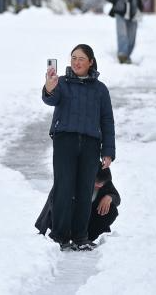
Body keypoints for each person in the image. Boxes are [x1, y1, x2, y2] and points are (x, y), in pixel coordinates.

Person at [41, 44, 116, 251]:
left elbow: (107, 120)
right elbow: (50, 99)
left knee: (84, 191)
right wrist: (49, 86)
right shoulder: (62, 83)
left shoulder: (100, 89)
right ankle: (60, 235)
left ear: (91, 61)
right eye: (73, 58)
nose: (76, 62)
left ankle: (81, 236)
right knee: (64, 189)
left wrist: (108, 151)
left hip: (91, 145)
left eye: (81, 58)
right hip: (65, 142)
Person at [35, 166, 121, 243]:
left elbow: (117, 198)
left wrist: (109, 197)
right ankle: (61, 237)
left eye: (102, 184)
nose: (100, 186)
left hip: (86, 222)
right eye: (97, 183)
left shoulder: (104, 182)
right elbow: (54, 203)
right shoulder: (70, 178)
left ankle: (85, 239)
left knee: (112, 209)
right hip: (65, 220)